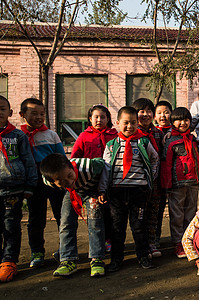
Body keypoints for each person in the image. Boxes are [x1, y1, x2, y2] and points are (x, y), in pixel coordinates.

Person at [103, 106, 159, 272]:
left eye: (133, 123)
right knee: (117, 227)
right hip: (117, 192)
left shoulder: (143, 142)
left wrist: (150, 178)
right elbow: (106, 169)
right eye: (126, 123)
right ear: (118, 123)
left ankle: (143, 256)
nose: (129, 126)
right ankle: (116, 258)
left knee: (139, 225)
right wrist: (103, 190)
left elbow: (154, 159)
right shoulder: (112, 145)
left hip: (138, 191)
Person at [40, 153, 108, 277]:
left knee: (95, 222)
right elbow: (64, 182)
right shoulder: (48, 180)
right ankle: (67, 259)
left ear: (71, 167)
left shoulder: (88, 167)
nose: (69, 181)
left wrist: (102, 189)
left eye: (70, 175)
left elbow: (103, 163)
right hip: (73, 192)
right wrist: (68, 186)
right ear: (53, 182)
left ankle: (97, 258)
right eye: (62, 182)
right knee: (65, 223)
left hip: (92, 191)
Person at [19, 98, 66, 268]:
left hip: (54, 179)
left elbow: (61, 157)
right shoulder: (19, 136)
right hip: (33, 181)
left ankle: (65, 250)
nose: (39, 117)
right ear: (22, 115)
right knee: (36, 218)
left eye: (42, 114)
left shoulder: (51, 135)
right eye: (34, 114)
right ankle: (37, 252)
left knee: (62, 216)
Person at [70, 104, 117, 255]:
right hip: (89, 182)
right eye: (96, 117)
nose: (99, 120)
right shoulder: (84, 136)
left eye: (103, 117)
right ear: (90, 119)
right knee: (96, 216)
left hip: (110, 181)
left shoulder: (114, 135)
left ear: (108, 119)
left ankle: (110, 239)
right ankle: (99, 243)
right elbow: (75, 158)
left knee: (110, 212)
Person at [0, 96, 37, 282]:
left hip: (12, 190)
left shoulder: (18, 136)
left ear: (10, 113)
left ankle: (9, 261)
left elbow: (28, 162)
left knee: (11, 226)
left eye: (2, 108)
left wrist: (30, 185)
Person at [161, 107, 199, 258]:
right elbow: (166, 165)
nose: (182, 123)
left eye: (186, 120)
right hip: (177, 185)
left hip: (193, 183)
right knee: (177, 214)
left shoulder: (193, 139)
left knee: (191, 213)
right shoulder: (170, 141)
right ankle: (178, 242)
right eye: (178, 120)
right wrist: (167, 185)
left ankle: (189, 239)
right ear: (172, 122)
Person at [132, 98, 164, 258]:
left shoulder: (158, 133)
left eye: (148, 111)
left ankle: (152, 243)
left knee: (154, 214)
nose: (145, 115)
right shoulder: (133, 134)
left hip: (157, 183)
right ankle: (142, 246)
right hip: (138, 182)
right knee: (139, 215)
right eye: (141, 111)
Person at [153, 100, 172, 248]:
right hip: (157, 178)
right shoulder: (152, 132)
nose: (163, 116)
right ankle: (154, 239)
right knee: (157, 210)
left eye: (166, 112)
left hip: (173, 177)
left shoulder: (176, 131)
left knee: (176, 210)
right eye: (159, 113)